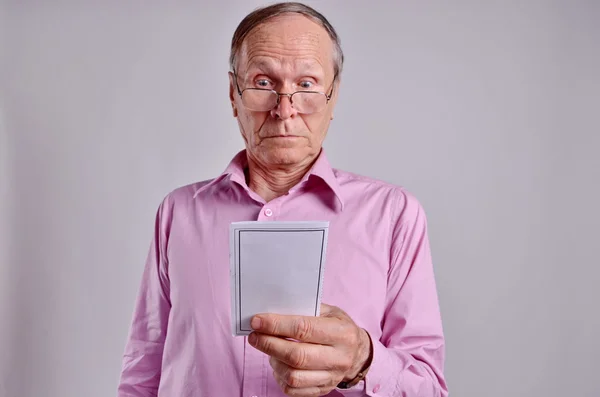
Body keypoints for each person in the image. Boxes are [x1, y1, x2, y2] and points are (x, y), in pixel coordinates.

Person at [117, 2, 448, 396]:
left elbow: (429, 389)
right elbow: (143, 370)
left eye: (306, 84)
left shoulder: (393, 216)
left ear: (333, 96)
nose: (284, 109)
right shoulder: (179, 213)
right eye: (262, 82)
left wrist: (363, 360)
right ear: (233, 93)